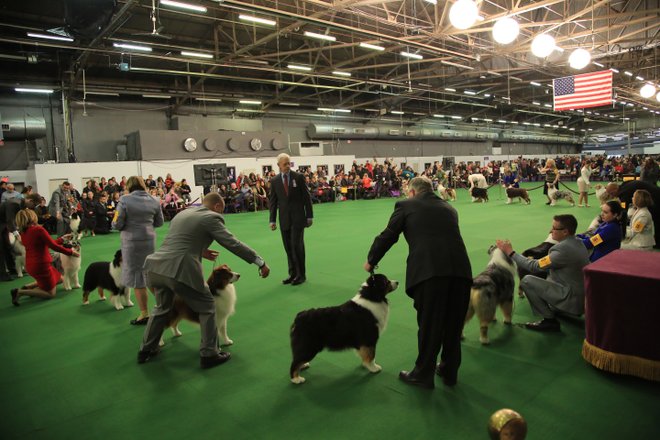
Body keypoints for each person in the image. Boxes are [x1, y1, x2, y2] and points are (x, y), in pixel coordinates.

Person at [137, 192, 270, 368]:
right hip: (179, 270)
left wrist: (202, 250)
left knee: (161, 308)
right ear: (217, 207)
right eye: (221, 211)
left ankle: (146, 350)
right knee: (208, 306)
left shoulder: (182, 213)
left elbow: (180, 241)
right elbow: (232, 243)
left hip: (155, 268)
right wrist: (259, 262)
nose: (220, 215)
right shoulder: (212, 217)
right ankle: (209, 354)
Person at [364, 176, 472, 389]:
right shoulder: (449, 208)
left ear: (412, 192)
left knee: (430, 325)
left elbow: (389, 235)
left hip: (430, 272)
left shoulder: (405, 205)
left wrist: (371, 260)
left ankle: (423, 374)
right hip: (461, 272)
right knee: (453, 324)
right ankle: (449, 371)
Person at [496, 214, 590, 332]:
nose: (551, 231)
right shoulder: (578, 242)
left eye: (554, 228)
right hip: (581, 297)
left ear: (565, 231)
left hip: (571, 299)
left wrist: (510, 253)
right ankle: (557, 308)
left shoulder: (562, 250)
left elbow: (534, 266)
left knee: (527, 280)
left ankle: (549, 320)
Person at [113, 176, 164, 325]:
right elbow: (159, 222)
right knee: (149, 274)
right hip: (149, 242)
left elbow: (117, 223)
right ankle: (164, 306)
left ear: (129, 186)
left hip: (131, 244)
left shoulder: (124, 200)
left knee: (138, 279)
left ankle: (144, 314)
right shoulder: (155, 200)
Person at [10, 209, 79, 306]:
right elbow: (52, 246)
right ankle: (20, 292)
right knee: (50, 294)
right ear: (32, 217)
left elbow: (45, 244)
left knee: (60, 279)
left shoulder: (24, 233)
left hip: (32, 265)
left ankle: (28, 287)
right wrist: (70, 252)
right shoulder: (38, 230)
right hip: (41, 265)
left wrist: (61, 239)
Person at [269, 153, 313, 286]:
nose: (287, 166)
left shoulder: (298, 177)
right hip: (284, 219)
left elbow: (307, 197)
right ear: (278, 166)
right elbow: (273, 202)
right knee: (288, 247)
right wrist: (272, 220)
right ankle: (292, 274)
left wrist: (309, 216)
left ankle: (301, 275)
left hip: (298, 218)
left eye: (289, 163)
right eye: (285, 164)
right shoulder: (275, 181)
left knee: (296, 245)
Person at [605, 180, 660, 249]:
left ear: (616, 189)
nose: (611, 196)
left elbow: (624, 213)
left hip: (656, 198)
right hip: (655, 192)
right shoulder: (624, 185)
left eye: (611, 193)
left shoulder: (643, 214)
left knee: (658, 219)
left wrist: (622, 234)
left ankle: (658, 242)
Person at [0, 194, 41, 281]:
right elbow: (10, 220)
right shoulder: (14, 203)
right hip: (4, 223)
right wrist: (18, 236)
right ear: (30, 201)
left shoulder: (22, 204)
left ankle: (12, 269)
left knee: (8, 246)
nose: (33, 208)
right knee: (0, 249)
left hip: (4, 224)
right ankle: (2, 274)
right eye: (33, 205)